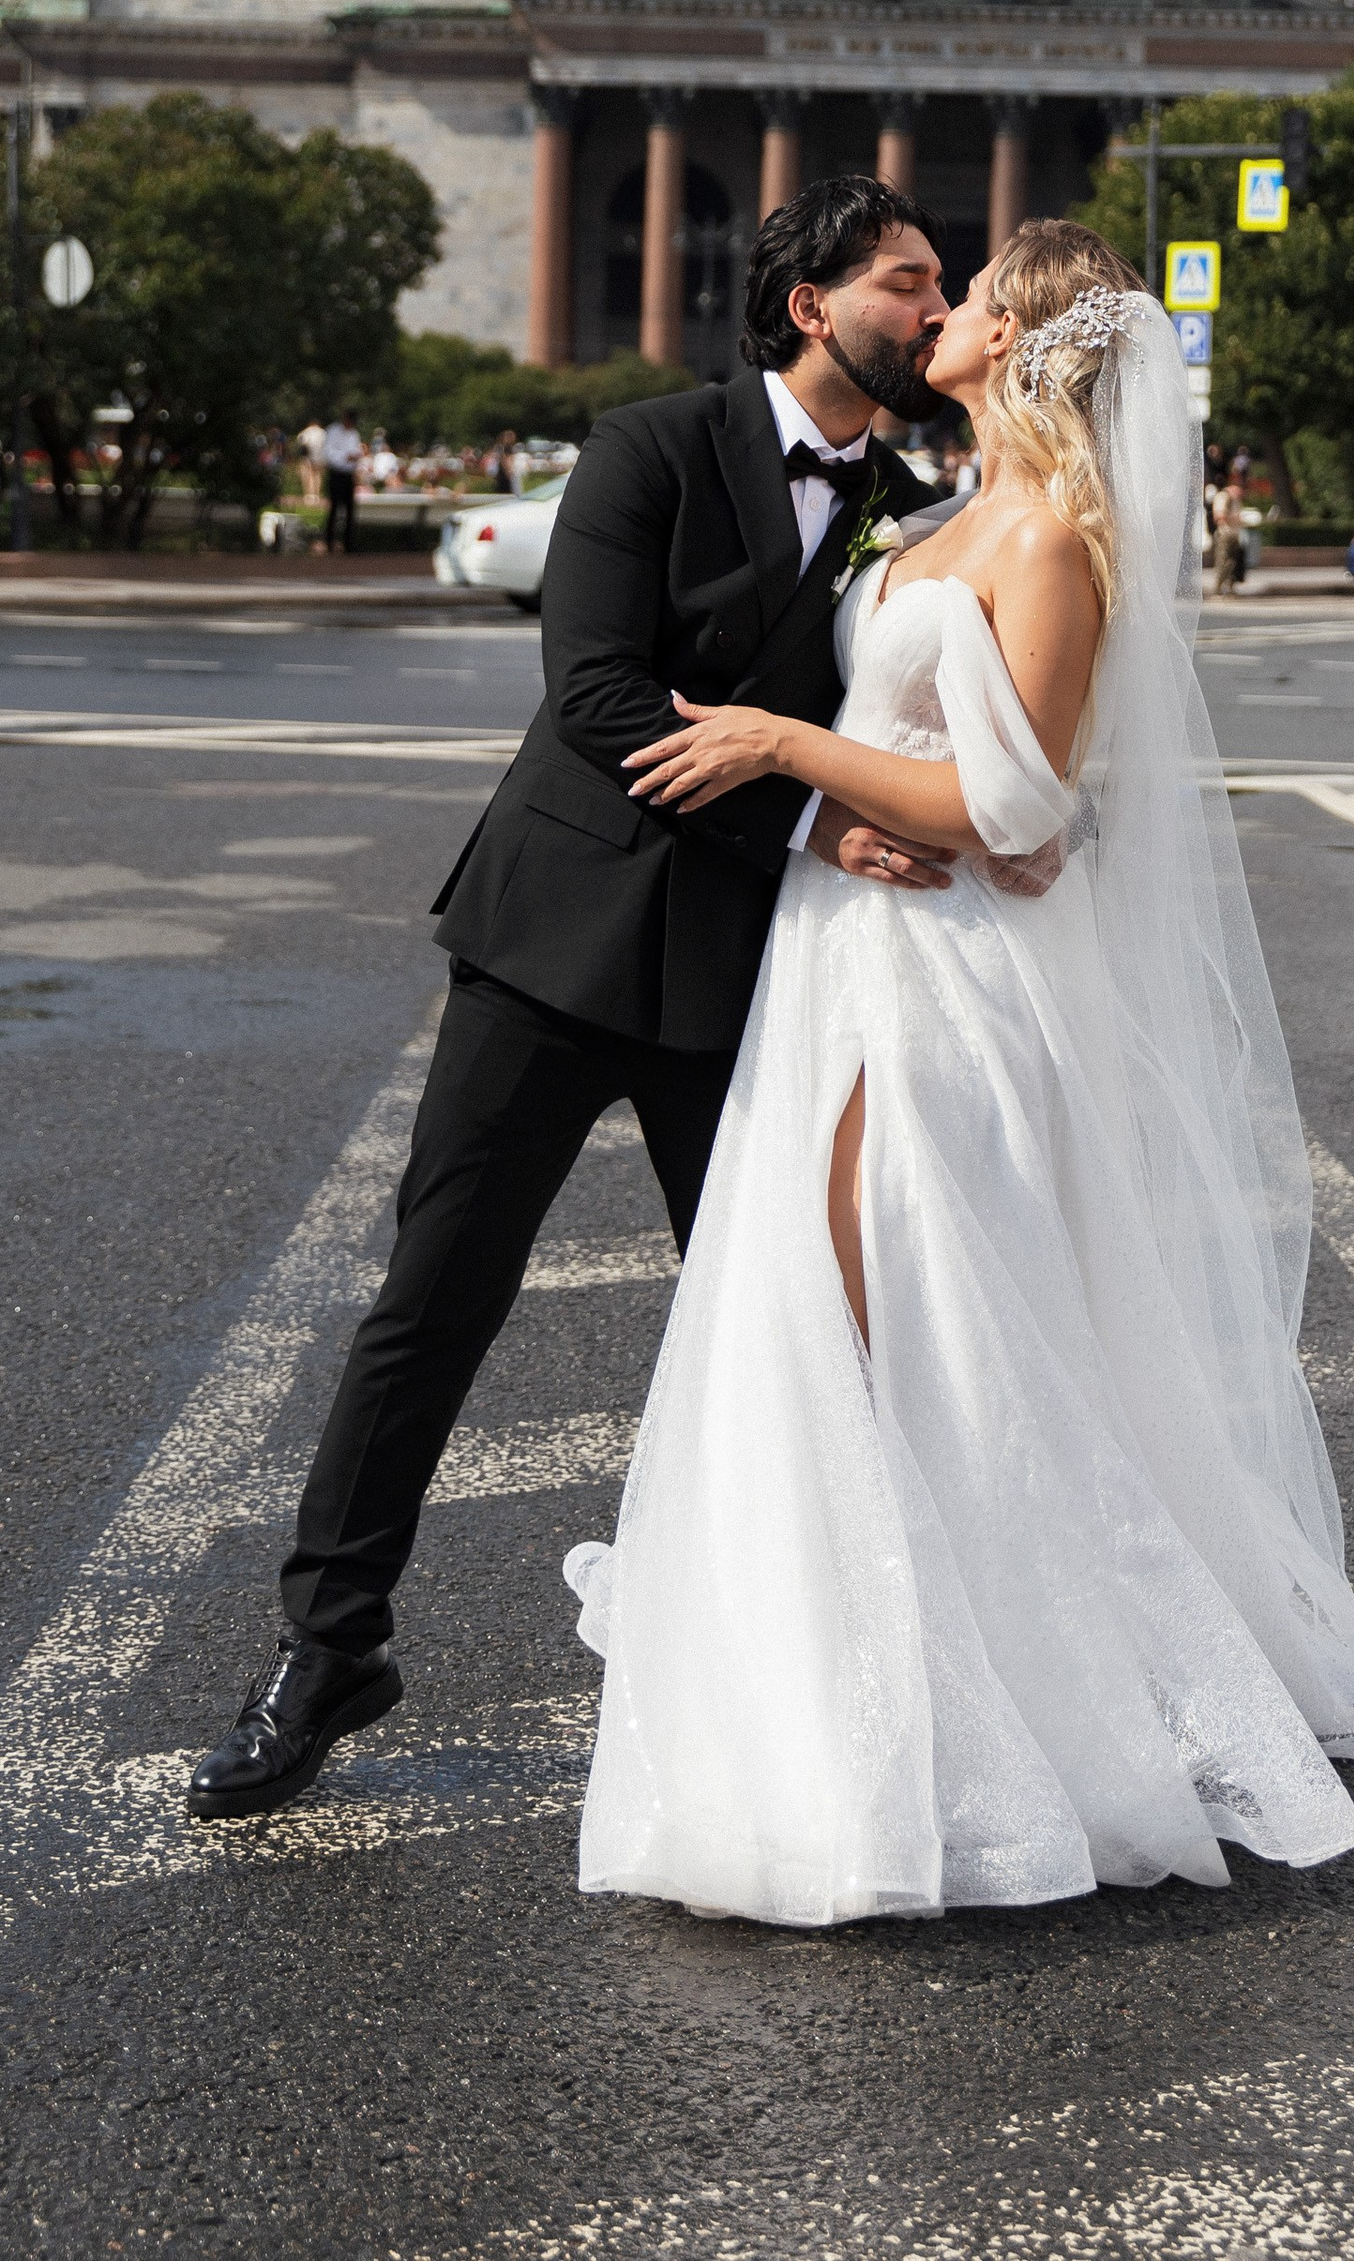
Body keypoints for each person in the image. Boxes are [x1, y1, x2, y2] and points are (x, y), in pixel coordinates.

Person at [573, 221, 1354, 1919]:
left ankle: (961, 1721)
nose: (938, 311)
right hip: (838, 953)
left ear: (1026, 345)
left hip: (941, 987)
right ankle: (842, 1704)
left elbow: (1015, 805)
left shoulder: (1047, 537)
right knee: (831, 1315)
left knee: (893, 1324)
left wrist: (785, 746)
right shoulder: (939, 513)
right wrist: (835, 782)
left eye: (963, 296)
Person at [186, 176, 956, 1822]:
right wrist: (813, 815)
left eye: (943, 285)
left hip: (749, 975)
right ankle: (327, 1648)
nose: (937, 311)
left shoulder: (910, 507)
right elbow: (599, 696)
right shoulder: (650, 448)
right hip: (553, 944)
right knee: (433, 1302)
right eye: (908, 282)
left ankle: (824, 1674)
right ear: (812, 304)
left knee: (787, 1319)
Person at [319, 406, 364, 553]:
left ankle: (349, 544)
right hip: (336, 473)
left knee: (350, 510)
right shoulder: (333, 431)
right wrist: (345, 457)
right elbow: (329, 453)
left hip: (348, 474)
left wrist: (354, 457)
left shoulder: (354, 433)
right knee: (334, 509)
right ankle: (329, 543)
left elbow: (356, 451)